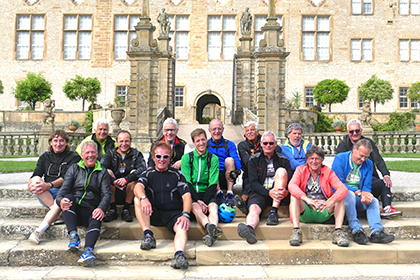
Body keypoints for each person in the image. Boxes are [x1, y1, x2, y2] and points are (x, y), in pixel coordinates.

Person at [134, 141, 192, 269]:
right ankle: (148, 235)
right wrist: (143, 198)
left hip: (173, 214)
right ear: (153, 157)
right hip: (153, 212)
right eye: (158, 156)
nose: (161, 160)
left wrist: (185, 214)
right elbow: (138, 187)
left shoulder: (177, 174)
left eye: (165, 156)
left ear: (170, 158)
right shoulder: (148, 173)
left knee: (182, 226)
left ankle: (179, 255)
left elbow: (186, 196)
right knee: (137, 199)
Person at [56, 141, 112, 267]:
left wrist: (101, 208)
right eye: (87, 153)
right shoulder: (74, 168)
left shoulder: (102, 172)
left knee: (97, 215)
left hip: (90, 208)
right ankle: (73, 236)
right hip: (73, 210)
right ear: (82, 155)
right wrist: (60, 201)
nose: (90, 155)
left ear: (97, 154)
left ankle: (88, 251)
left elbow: (107, 194)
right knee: (67, 197)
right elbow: (63, 190)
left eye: (93, 152)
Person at [331, 139, 395, 245]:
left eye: (365, 157)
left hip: (357, 195)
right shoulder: (340, 158)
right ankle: (356, 230)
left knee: (373, 201)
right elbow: (338, 184)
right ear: (354, 149)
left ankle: (376, 231)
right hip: (342, 196)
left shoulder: (368, 164)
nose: (362, 159)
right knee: (350, 195)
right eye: (361, 156)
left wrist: (366, 196)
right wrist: (358, 192)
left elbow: (367, 186)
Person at [336, 119, 402, 219]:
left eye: (357, 130)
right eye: (351, 131)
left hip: (367, 178)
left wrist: (386, 175)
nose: (354, 133)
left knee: (384, 183)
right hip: (351, 182)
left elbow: (378, 160)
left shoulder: (368, 143)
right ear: (348, 132)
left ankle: (387, 207)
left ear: (361, 131)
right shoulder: (342, 146)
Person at [237, 131, 292, 244]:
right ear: (261, 144)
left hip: (278, 194)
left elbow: (289, 180)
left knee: (281, 171)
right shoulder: (254, 160)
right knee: (254, 209)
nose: (268, 146)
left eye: (271, 143)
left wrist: (284, 192)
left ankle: (274, 211)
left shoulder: (283, 160)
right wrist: (268, 193)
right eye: (265, 143)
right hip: (260, 192)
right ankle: (250, 229)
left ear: (275, 144)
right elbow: (253, 182)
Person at [288, 146, 349, 247]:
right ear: (307, 160)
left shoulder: (328, 172)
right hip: (306, 209)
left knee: (339, 198)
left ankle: (338, 232)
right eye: (311, 159)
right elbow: (292, 185)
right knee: (294, 196)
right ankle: (296, 231)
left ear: (322, 160)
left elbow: (343, 189)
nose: (314, 162)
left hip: (323, 208)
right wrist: (307, 200)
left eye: (317, 159)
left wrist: (329, 202)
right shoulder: (300, 170)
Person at [27, 130, 81, 244]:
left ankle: (38, 231)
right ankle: (57, 212)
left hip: (64, 191)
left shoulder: (73, 156)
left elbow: (67, 178)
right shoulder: (45, 156)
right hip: (47, 194)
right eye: (55, 140)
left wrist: (49, 185)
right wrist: (30, 185)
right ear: (51, 142)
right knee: (36, 180)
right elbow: (36, 173)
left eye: (62, 141)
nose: (58, 144)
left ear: (66, 143)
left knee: (60, 200)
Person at [181, 128, 222, 247]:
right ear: (193, 143)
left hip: (207, 192)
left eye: (203, 139)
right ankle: (209, 227)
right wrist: (198, 201)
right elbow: (187, 182)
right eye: (197, 141)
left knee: (213, 207)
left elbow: (213, 183)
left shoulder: (213, 158)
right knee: (195, 207)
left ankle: (211, 234)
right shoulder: (186, 158)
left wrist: (204, 200)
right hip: (192, 193)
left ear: (207, 140)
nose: (201, 143)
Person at [235, 121, 281, 214]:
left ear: (257, 131)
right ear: (244, 133)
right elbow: (247, 163)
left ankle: (247, 202)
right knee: (248, 185)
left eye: (252, 129)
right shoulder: (242, 145)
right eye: (247, 130)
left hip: (266, 173)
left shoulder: (265, 141)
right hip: (250, 173)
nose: (249, 132)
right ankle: (244, 202)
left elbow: (278, 149)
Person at [100, 130, 147, 223]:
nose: (124, 144)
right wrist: (114, 181)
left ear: (130, 142)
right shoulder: (110, 153)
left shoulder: (136, 154)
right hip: (113, 188)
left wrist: (126, 179)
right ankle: (113, 209)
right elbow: (100, 167)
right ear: (117, 142)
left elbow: (142, 168)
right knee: (107, 172)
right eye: (121, 141)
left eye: (126, 141)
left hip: (129, 187)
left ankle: (126, 209)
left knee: (135, 173)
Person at [207, 119, 241, 205]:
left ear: (223, 129)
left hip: (228, 176)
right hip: (212, 176)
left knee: (229, 160)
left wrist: (238, 170)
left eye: (219, 129)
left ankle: (229, 193)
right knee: (211, 160)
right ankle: (219, 193)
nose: (217, 131)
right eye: (214, 129)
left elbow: (235, 158)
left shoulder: (229, 144)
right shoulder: (206, 145)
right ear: (209, 131)